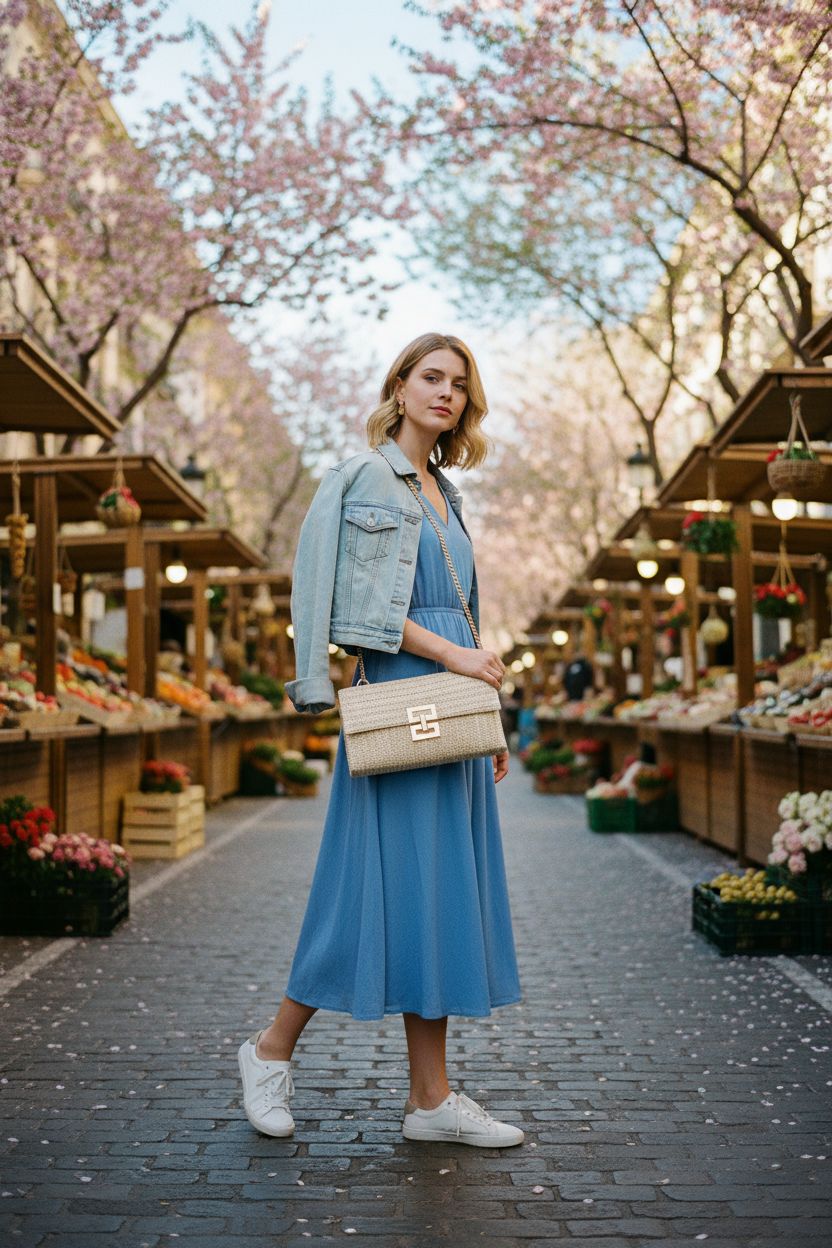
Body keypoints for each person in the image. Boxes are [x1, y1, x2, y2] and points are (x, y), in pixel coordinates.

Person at [237, 332, 524, 1148]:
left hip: (450, 704)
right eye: (430, 378)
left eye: (459, 384)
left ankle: (430, 1101)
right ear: (398, 387)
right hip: (398, 700)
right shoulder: (364, 477)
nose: (446, 393)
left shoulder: (446, 491)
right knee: (362, 890)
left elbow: (460, 612)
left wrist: (485, 718)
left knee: (436, 896)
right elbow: (349, 611)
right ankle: (268, 1052)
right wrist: (454, 659)